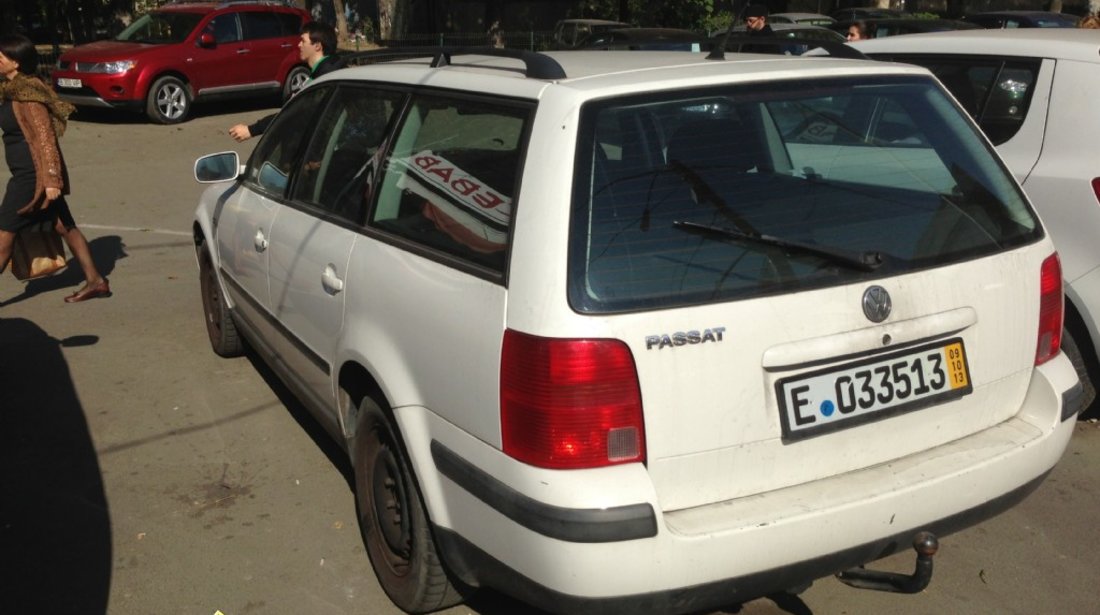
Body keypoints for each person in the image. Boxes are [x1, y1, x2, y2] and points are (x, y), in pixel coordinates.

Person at [0, 34, 109, 303]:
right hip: (27, 173)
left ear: (15, 62)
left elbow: (46, 137)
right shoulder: (10, 89)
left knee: (3, 235)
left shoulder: (29, 94)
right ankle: (96, 281)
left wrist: (51, 180)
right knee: (65, 227)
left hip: (31, 177)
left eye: (0, 57)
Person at [228, 21, 344, 142]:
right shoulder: (324, 72)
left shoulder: (325, 78)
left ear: (317, 46)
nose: (299, 45)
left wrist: (251, 130)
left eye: (303, 41)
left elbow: (296, 115)